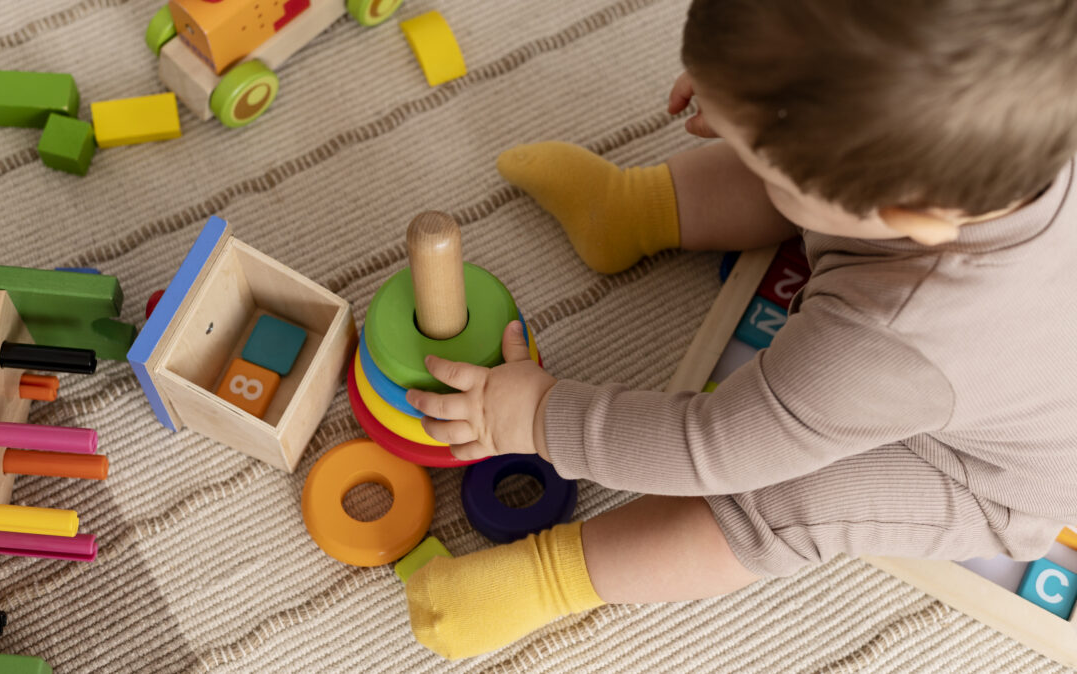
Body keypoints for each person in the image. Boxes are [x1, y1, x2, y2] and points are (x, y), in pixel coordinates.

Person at [401, 0, 1077, 659]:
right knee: (802, 165)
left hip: (986, 475)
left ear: (912, 215)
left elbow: (711, 446)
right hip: (971, 298)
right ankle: (629, 212)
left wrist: (541, 417)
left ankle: (553, 578)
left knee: (785, 502)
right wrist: (741, 76)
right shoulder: (1001, 120)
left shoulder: (886, 343)